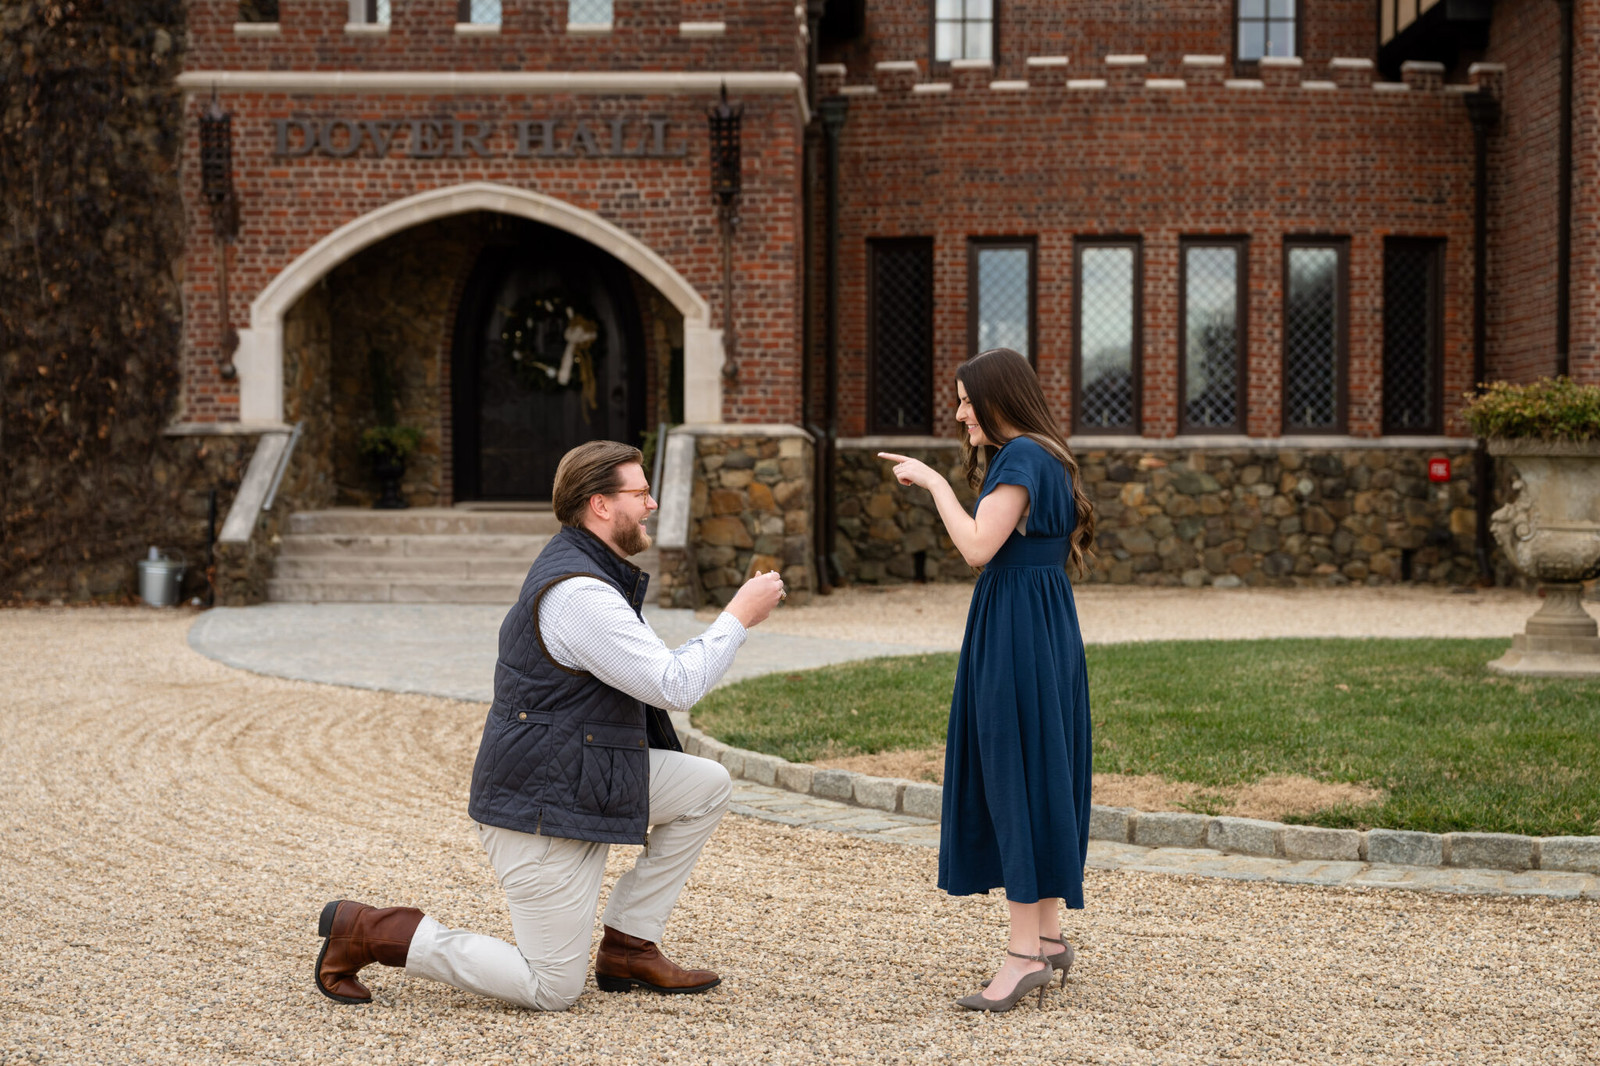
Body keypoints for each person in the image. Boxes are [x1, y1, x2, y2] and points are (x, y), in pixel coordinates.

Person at [313, 439, 787, 1011]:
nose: (653, 503)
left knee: (705, 785)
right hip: (538, 811)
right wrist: (738, 617)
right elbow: (674, 685)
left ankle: (630, 946)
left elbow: (656, 671)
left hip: (579, 777)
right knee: (550, 988)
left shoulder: (591, 570)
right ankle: (369, 930)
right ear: (600, 505)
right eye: (640, 492)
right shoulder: (579, 593)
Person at [879, 347, 1096, 1013]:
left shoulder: (1021, 456)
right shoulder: (1050, 455)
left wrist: (934, 483)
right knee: (1041, 769)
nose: (960, 414)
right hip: (1044, 625)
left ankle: (1024, 955)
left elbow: (978, 547)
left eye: (968, 401)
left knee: (1015, 772)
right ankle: (1048, 937)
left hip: (1016, 632)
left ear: (1000, 399)